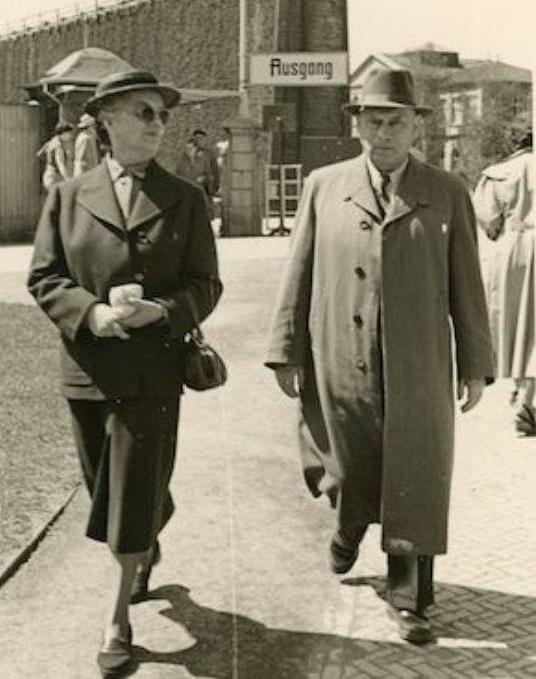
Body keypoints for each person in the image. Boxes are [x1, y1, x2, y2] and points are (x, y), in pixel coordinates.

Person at [265, 69, 494, 645]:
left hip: (418, 362)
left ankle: (410, 597)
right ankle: (347, 525)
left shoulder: (446, 191)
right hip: (339, 356)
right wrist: (285, 350)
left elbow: (467, 282)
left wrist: (474, 363)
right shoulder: (323, 185)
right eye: (373, 121)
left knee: (415, 470)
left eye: (396, 121)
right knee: (345, 463)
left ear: (416, 125)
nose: (384, 133)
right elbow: (298, 271)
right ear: (357, 125)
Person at [28, 69, 222, 677]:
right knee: (106, 486)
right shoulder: (66, 196)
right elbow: (44, 277)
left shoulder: (186, 198)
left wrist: (161, 310)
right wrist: (92, 313)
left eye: (162, 114)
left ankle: (117, 618)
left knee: (132, 489)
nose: (157, 123)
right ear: (106, 119)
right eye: (143, 112)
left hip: (155, 369)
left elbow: (206, 284)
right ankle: (148, 529)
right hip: (89, 368)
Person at [473, 113, 534, 435]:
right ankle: (527, 397)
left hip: (513, 249)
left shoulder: (498, 173)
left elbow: (488, 222)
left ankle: (523, 394)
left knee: (517, 325)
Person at [190, 129, 220, 217]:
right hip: (193, 185)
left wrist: (215, 185)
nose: (199, 141)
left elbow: (215, 170)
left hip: (206, 187)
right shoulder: (190, 152)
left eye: (201, 139)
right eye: (197, 139)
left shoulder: (210, 154)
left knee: (206, 212)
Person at [39, 121, 77, 190]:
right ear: (62, 133)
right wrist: (68, 179)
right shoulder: (58, 146)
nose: (70, 135)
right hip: (54, 178)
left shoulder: (53, 141)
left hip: (50, 176)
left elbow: (40, 154)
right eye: (68, 133)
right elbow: (60, 164)